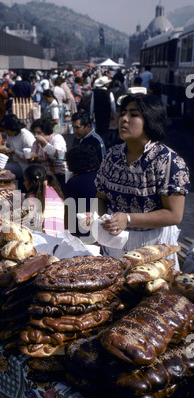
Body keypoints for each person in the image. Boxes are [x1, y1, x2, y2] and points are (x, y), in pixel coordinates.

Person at [94, 93, 191, 269]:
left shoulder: (168, 161)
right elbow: (100, 197)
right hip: (114, 245)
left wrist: (128, 219)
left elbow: (174, 214)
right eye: (123, 113)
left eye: (133, 114)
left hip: (153, 250)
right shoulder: (112, 155)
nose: (124, 119)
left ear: (150, 120)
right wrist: (99, 223)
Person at [64, 143, 100, 242]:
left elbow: (70, 212)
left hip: (83, 232)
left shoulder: (74, 182)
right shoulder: (102, 177)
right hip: (102, 228)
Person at [22, 164, 65, 237]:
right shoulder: (55, 190)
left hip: (44, 239)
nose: (24, 183)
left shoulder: (32, 199)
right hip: (60, 236)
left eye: (25, 180)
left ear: (32, 182)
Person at [30, 118, 67, 193]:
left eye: (39, 132)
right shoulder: (36, 143)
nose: (36, 135)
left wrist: (45, 143)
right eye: (35, 133)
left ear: (46, 132)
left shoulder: (56, 138)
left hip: (58, 173)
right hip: (43, 175)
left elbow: (59, 155)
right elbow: (33, 157)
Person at [91, 75, 115, 148]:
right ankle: (104, 145)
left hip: (98, 114)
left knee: (98, 129)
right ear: (106, 84)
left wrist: (91, 115)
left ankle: (99, 143)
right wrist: (113, 115)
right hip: (106, 114)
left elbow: (92, 105)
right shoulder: (109, 93)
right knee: (105, 130)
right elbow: (113, 106)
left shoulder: (94, 93)